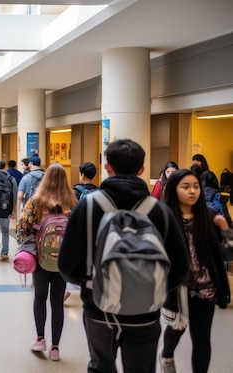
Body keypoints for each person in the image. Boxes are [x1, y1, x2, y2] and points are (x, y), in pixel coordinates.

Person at [58, 139, 189, 373]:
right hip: (146, 312)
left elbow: (66, 264)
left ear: (107, 167)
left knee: (100, 366)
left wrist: (90, 283)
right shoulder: (160, 211)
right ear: (141, 169)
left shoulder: (88, 207)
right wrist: (153, 286)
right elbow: (180, 267)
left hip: (99, 308)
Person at [160, 168, 230, 373]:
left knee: (201, 339)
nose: (193, 191)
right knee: (175, 330)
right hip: (176, 290)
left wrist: (225, 227)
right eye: (186, 187)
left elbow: (229, 254)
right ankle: (166, 355)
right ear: (174, 190)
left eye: (196, 186)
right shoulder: (165, 219)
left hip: (205, 291)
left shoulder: (209, 218)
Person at [17, 163, 76, 361]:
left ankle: (40, 338)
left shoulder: (36, 201)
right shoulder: (71, 202)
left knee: (40, 297)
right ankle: (55, 348)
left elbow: (22, 228)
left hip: (42, 258)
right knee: (57, 302)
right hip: (63, 261)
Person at [16, 154, 44, 218]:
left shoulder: (26, 177)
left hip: (29, 209)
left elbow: (19, 196)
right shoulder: (46, 176)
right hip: (43, 208)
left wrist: (18, 214)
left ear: (30, 163)